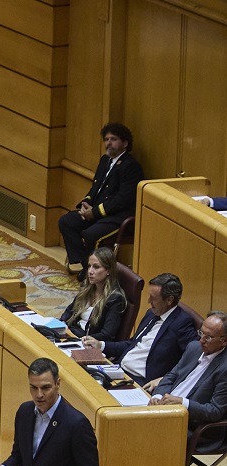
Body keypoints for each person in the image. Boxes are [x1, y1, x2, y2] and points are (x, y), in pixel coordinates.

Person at [57, 123, 144, 281]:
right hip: (98, 212)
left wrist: (95, 212)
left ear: (125, 143)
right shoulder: (105, 160)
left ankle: (92, 271)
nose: (109, 143)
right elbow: (95, 187)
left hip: (118, 217)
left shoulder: (131, 166)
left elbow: (122, 200)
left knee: (91, 235)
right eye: (106, 139)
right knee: (66, 221)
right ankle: (87, 265)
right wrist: (86, 203)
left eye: (114, 139)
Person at [83, 272, 198, 385]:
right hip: (119, 370)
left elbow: (193, 360)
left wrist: (163, 380)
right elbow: (132, 344)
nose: (149, 301)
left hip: (139, 381)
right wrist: (101, 345)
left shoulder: (182, 323)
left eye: (153, 298)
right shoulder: (151, 314)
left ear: (169, 300)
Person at [149, 312, 227, 438]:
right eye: (201, 333)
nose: (201, 340)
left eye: (209, 337)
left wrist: (183, 403)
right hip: (164, 410)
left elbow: (215, 411)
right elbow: (171, 376)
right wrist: (158, 396)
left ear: (224, 341)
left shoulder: (224, 368)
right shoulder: (193, 348)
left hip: (192, 425)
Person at [57, 247, 126, 341]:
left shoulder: (115, 299)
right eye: (89, 266)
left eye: (96, 267)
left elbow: (107, 334)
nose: (90, 271)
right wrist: (62, 322)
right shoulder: (88, 287)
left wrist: (83, 339)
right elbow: (70, 310)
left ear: (108, 271)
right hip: (71, 334)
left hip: (86, 342)